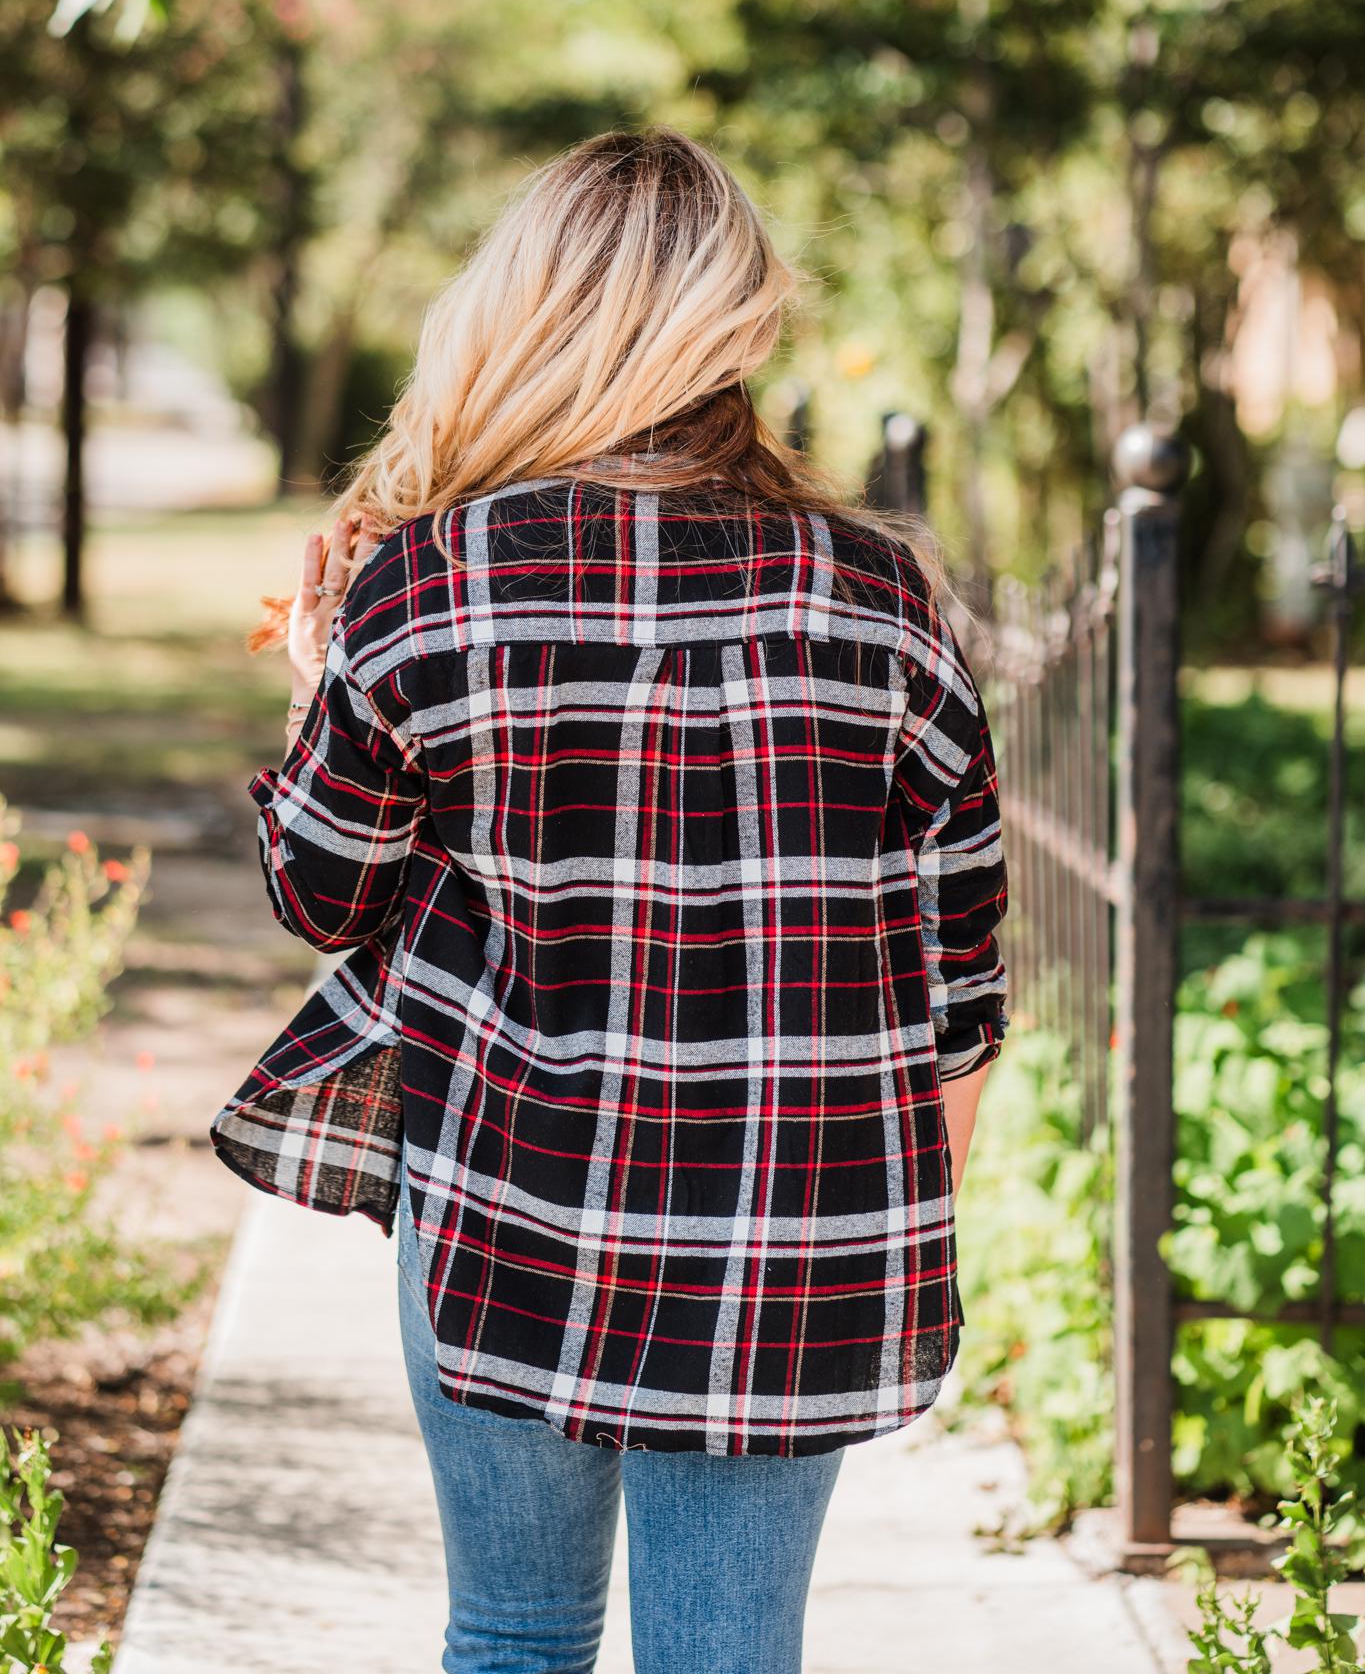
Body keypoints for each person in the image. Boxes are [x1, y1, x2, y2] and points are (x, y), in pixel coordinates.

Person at [212, 127, 1009, 1674]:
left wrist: (325, 685)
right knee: (728, 1653)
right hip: (794, 1226)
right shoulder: (881, 598)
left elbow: (322, 895)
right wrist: (902, 1223)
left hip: (502, 1199)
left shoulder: (430, 585)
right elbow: (955, 974)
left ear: (522, 314)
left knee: (511, 1637)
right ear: (739, 322)